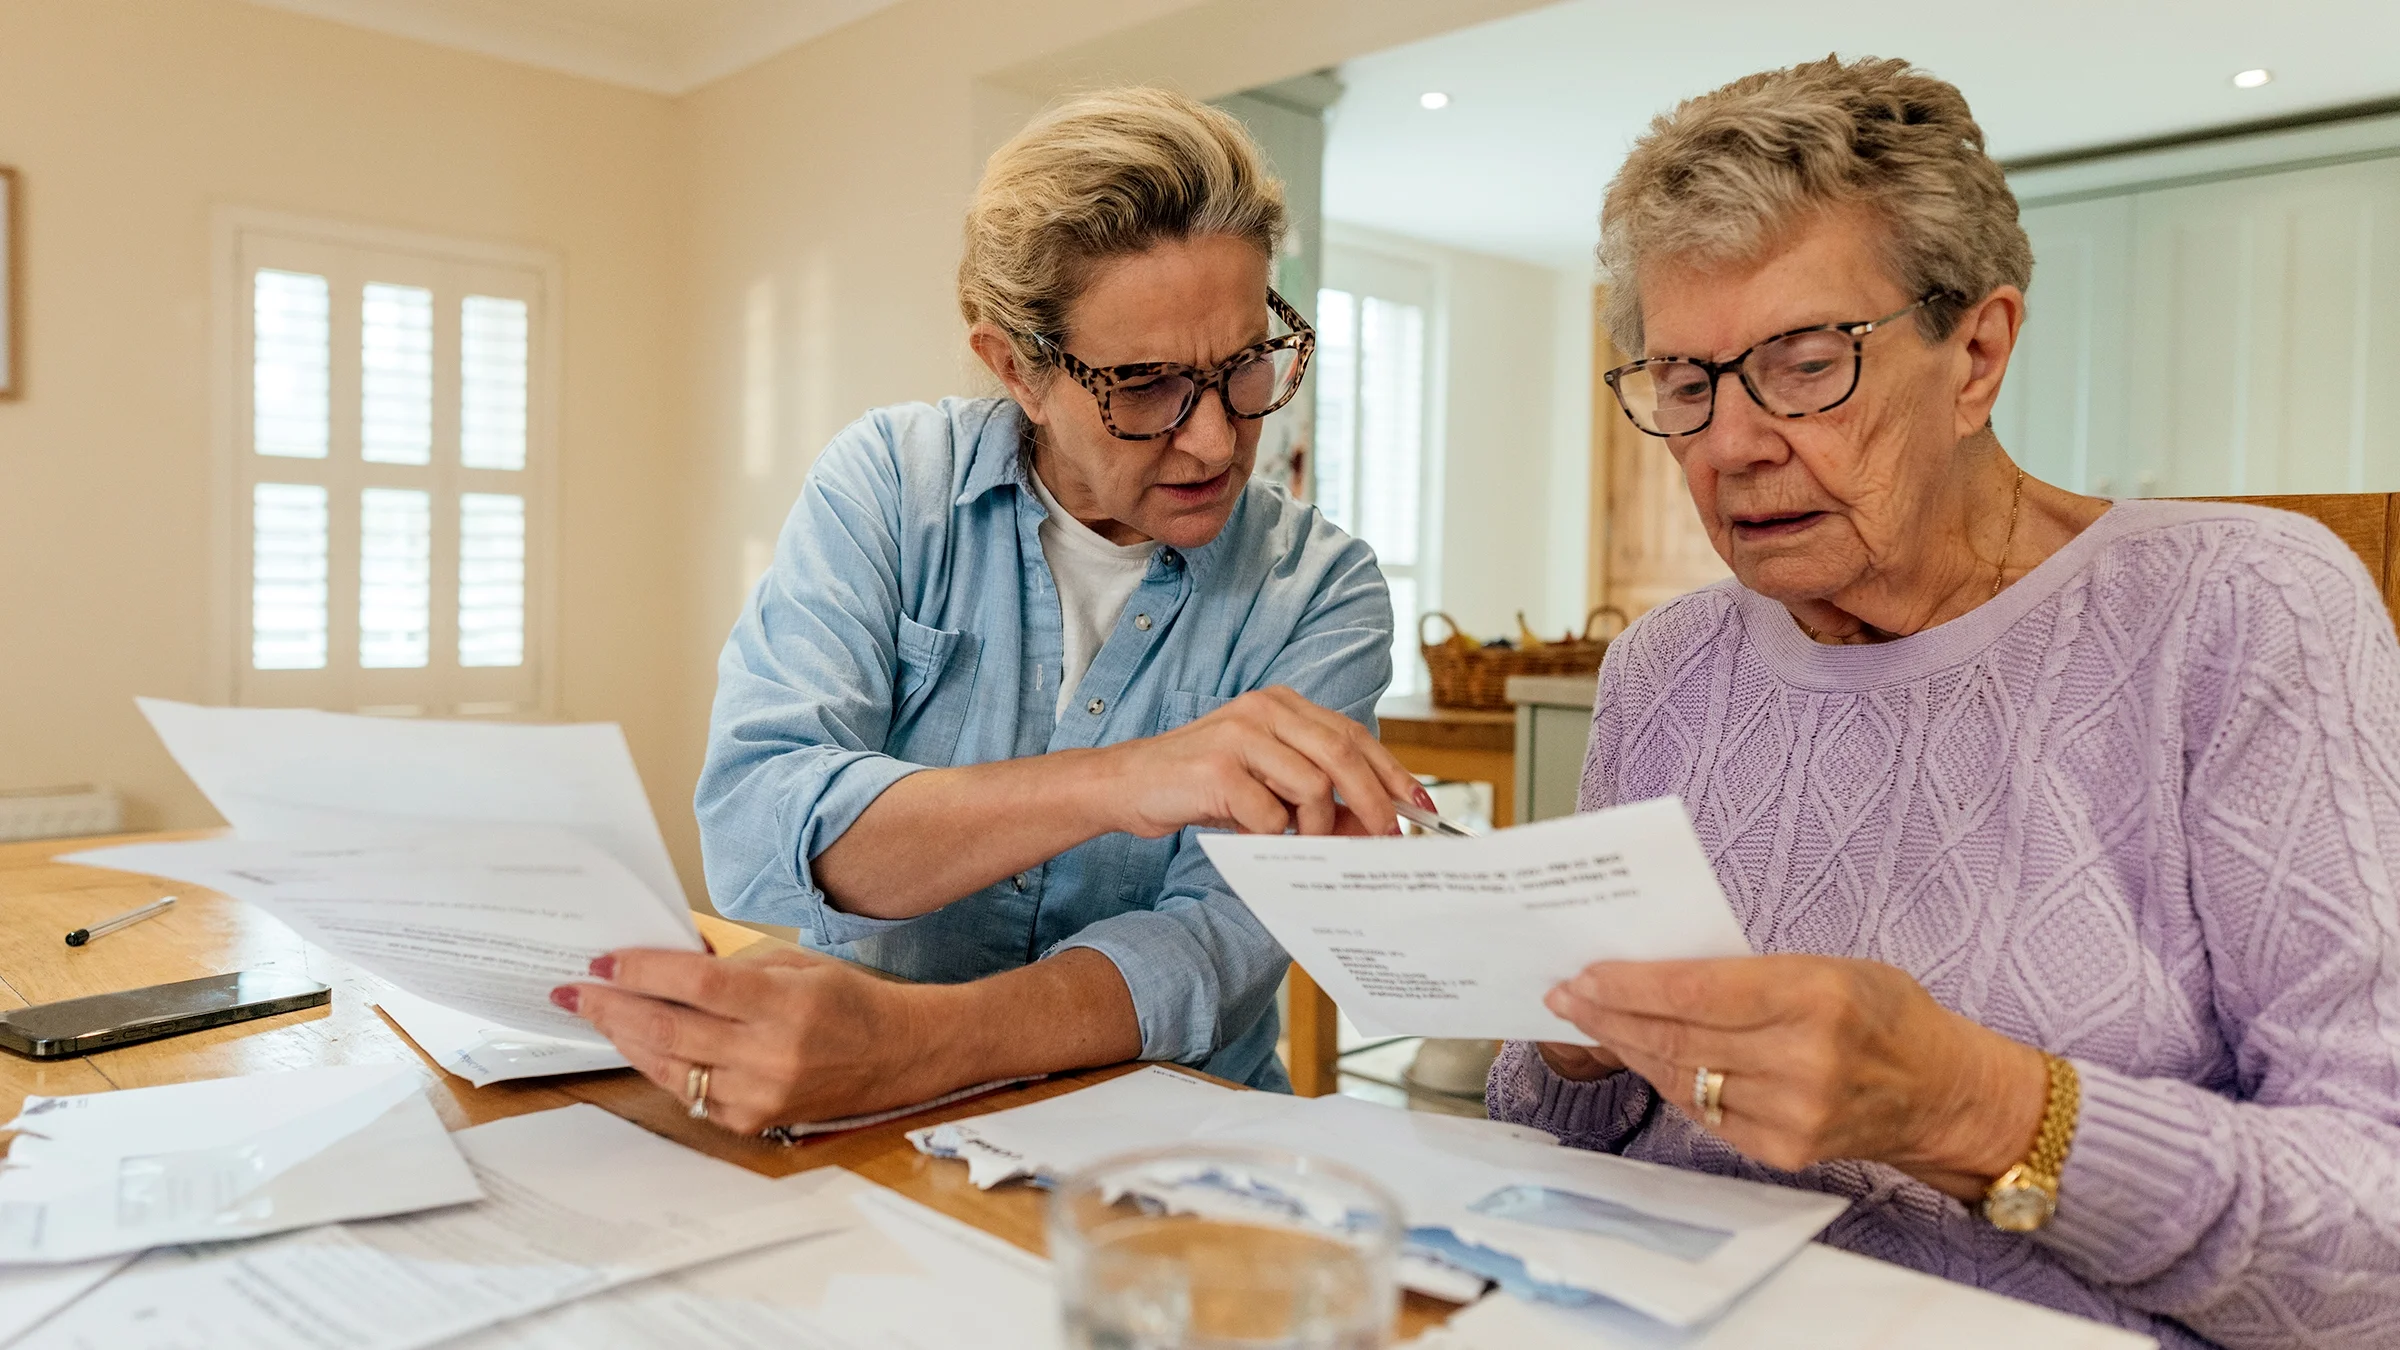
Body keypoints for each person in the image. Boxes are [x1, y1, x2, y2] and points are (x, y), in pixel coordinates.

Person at [1490, 56, 2400, 1349]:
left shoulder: (2244, 614)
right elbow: (1558, 1138)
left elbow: (2378, 1250)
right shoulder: (1664, 667)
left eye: (1803, 363)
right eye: (1685, 383)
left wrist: (1979, 1106)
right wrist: (1577, 1052)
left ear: (1977, 353)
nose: (1730, 445)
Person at [551, 88, 1427, 1130]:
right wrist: (1121, 782)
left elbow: (1218, 943)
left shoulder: (1322, 591)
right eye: (1146, 387)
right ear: (1017, 368)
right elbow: (756, 829)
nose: (1216, 441)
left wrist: (912, 1047)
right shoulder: (889, 485)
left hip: (1177, 1140)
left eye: (1244, 365)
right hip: (855, 1123)